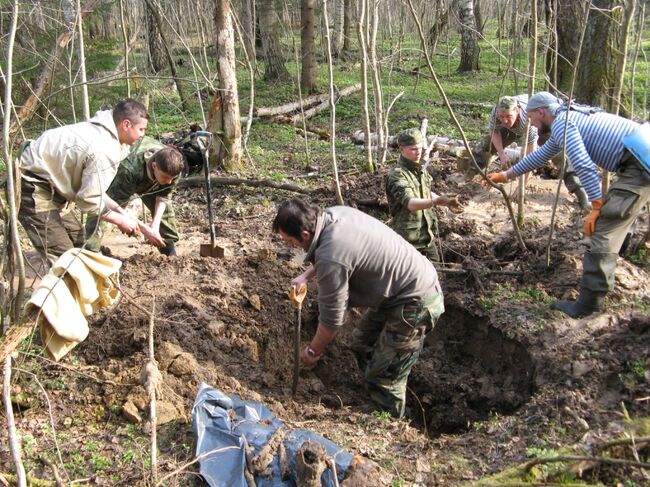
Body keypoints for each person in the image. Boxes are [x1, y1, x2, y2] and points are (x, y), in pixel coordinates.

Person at [273, 199, 445, 418]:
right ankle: (371, 390)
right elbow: (339, 253)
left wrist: (313, 351)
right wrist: (306, 275)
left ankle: (389, 423)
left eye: (290, 241)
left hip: (417, 300)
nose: (291, 246)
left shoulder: (331, 255)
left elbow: (332, 319)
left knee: (385, 377)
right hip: (399, 290)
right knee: (361, 344)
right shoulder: (333, 216)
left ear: (305, 235)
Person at [483, 91, 650, 318]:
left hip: (639, 164)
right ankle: (618, 257)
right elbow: (542, 155)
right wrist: (506, 175)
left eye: (531, 118)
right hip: (640, 157)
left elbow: (582, 163)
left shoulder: (562, 123)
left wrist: (597, 205)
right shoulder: (567, 118)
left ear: (541, 112)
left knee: (604, 228)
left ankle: (589, 305)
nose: (530, 123)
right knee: (618, 216)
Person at [19, 99, 149, 263]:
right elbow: (88, 200)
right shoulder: (103, 149)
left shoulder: (109, 134)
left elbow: (96, 191)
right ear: (126, 125)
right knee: (66, 260)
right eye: (141, 129)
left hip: (57, 189)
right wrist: (119, 220)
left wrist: (123, 214)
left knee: (81, 247)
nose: (143, 134)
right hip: (34, 186)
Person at [85, 136, 185, 256]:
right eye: (166, 178)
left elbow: (163, 196)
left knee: (164, 214)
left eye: (172, 179)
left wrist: (155, 225)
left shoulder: (173, 169)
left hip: (150, 176)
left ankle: (168, 253)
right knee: (102, 212)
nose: (169, 182)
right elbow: (116, 206)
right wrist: (144, 229)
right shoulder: (129, 170)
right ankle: (90, 250)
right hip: (126, 174)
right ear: (154, 166)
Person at [385, 128, 461, 262]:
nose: (418, 152)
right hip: (407, 241)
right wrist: (435, 202)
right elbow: (410, 203)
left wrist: (445, 201)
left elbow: (425, 192)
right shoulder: (397, 174)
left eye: (420, 148)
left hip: (426, 237)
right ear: (402, 149)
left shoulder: (420, 170)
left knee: (438, 275)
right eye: (413, 149)